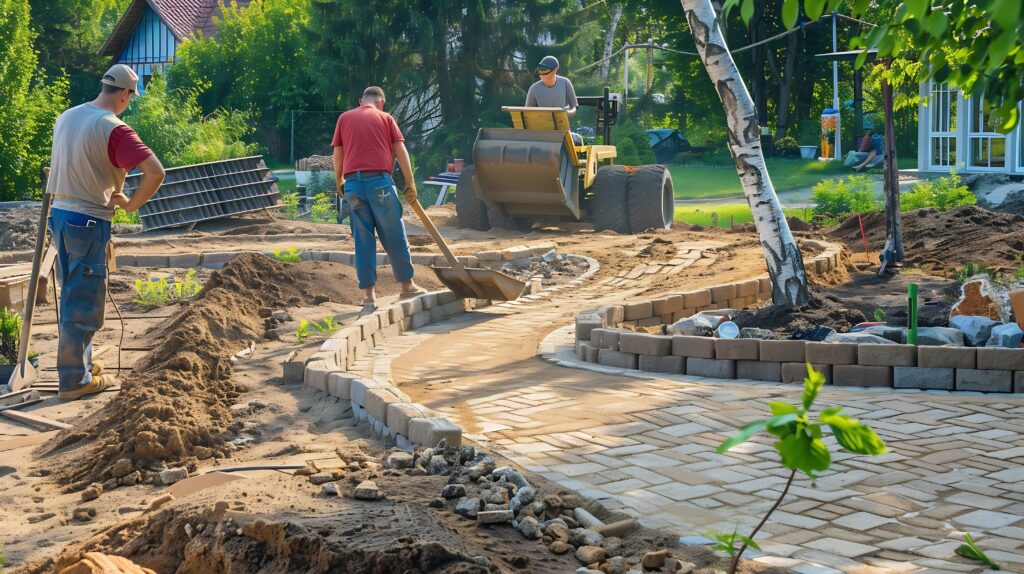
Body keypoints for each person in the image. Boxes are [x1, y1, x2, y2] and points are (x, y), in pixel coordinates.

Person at [47, 64, 165, 400]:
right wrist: (129, 205)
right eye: (131, 97)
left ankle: (79, 366)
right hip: (87, 219)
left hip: (61, 213)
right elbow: (156, 173)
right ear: (126, 94)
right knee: (84, 299)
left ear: (104, 86)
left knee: (73, 289)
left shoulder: (68, 115)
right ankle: (73, 381)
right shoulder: (113, 128)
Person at [332, 86, 426, 315]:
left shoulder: (344, 118)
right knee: (394, 234)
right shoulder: (385, 118)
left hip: (353, 185)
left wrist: (339, 180)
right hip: (380, 184)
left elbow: (338, 154)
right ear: (381, 102)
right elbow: (400, 150)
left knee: (362, 240)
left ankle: (368, 299)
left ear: (360, 101)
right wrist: (410, 182)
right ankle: (407, 286)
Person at [525, 55, 583, 145]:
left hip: (562, 130)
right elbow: (528, 113)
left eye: (545, 71)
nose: (541, 74)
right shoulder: (534, 88)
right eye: (540, 71)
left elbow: (574, 108)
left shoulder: (565, 83)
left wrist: (566, 113)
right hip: (541, 131)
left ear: (555, 70)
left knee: (578, 140)